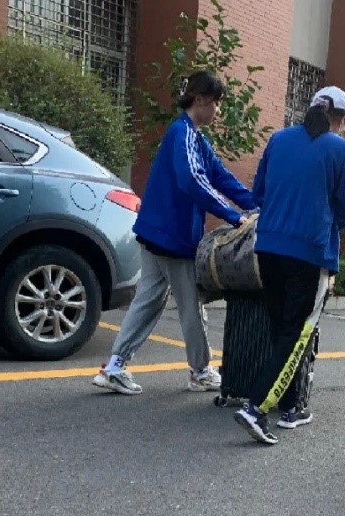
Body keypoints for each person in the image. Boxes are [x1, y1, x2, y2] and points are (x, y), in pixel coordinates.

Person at [93, 70, 256, 395]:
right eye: (217, 103)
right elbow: (192, 181)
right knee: (191, 306)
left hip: (156, 233)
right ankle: (200, 371)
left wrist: (257, 206)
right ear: (200, 100)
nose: (219, 110)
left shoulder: (193, 137)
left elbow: (221, 177)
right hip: (172, 238)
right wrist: (234, 217)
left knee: (148, 300)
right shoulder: (183, 134)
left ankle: (115, 366)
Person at [233, 86, 345, 445]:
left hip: (268, 246)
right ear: (341, 119)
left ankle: (290, 406)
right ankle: (257, 408)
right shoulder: (341, 149)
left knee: (280, 328)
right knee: (297, 331)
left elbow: (259, 193)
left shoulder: (278, 139)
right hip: (310, 252)